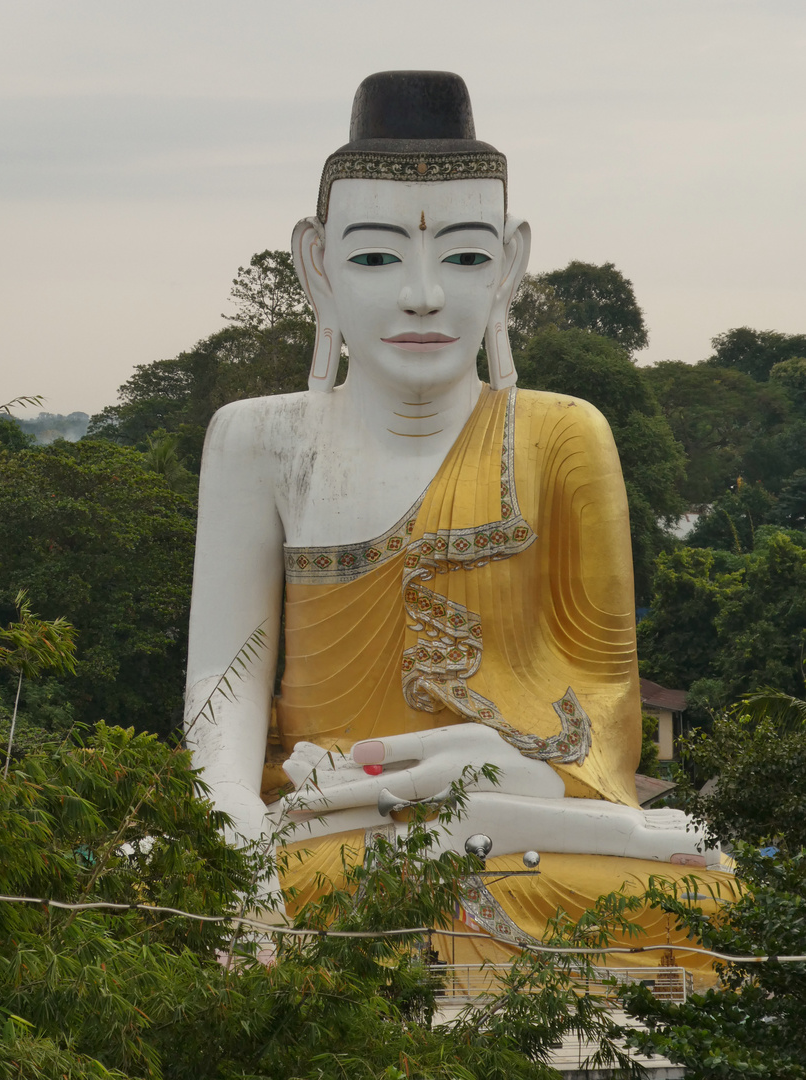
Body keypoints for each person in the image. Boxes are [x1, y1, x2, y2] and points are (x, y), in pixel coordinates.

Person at [184, 71, 714, 878]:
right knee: (270, 880)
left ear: (510, 266)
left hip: (521, 817)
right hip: (318, 817)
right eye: (374, 256)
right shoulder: (259, 442)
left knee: (682, 889)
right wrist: (231, 835)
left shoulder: (563, 435)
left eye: (465, 255)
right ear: (318, 267)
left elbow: (606, 697)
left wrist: (524, 766)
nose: (424, 295)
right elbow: (221, 696)